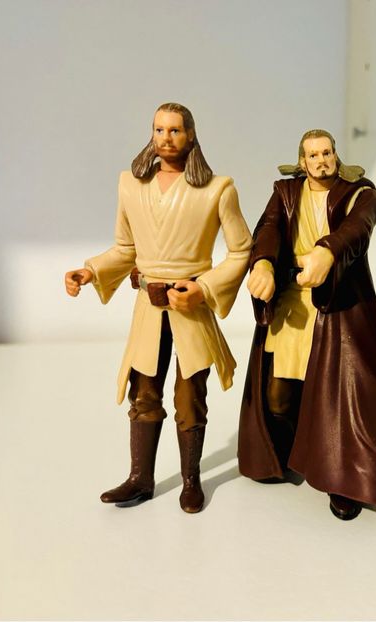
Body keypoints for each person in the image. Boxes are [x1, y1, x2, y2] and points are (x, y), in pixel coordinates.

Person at [64, 103, 252, 513]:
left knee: (190, 396)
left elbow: (241, 251)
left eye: (175, 130)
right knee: (144, 391)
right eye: (159, 130)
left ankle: (191, 480)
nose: (166, 138)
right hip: (148, 308)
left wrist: (203, 288)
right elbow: (125, 248)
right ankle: (140, 478)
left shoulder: (218, 189)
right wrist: (91, 271)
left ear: (190, 135)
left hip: (190, 307)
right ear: (152, 133)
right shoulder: (131, 185)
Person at [238, 129, 376, 520]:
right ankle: (296, 452)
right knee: (279, 395)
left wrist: (328, 253)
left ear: (335, 154)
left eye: (327, 152)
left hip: (341, 304)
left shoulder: (360, 193)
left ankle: (341, 477)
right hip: (293, 303)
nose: (322, 160)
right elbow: (269, 228)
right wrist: (263, 263)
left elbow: (356, 229)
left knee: (341, 395)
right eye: (313, 155)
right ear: (302, 161)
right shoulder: (285, 192)